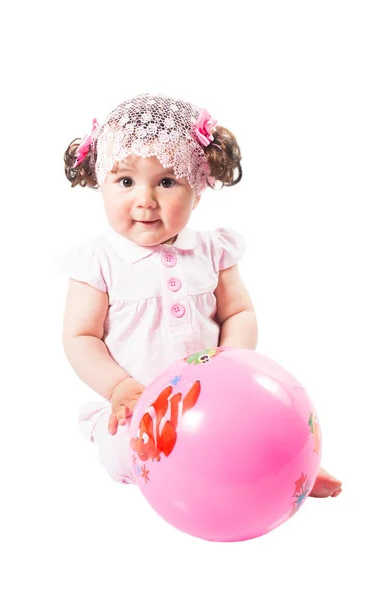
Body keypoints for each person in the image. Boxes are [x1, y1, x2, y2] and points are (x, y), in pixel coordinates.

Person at [60, 92, 342, 497]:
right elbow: (80, 337)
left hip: (214, 395)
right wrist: (118, 386)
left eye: (168, 181)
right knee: (126, 449)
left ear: (199, 188)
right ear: (100, 182)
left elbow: (238, 312)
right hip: (144, 405)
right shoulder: (99, 262)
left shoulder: (212, 250)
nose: (146, 200)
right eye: (125, 181)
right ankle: (198, 484)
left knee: (259, 420)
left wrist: (230, 363)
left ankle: (290, 471)